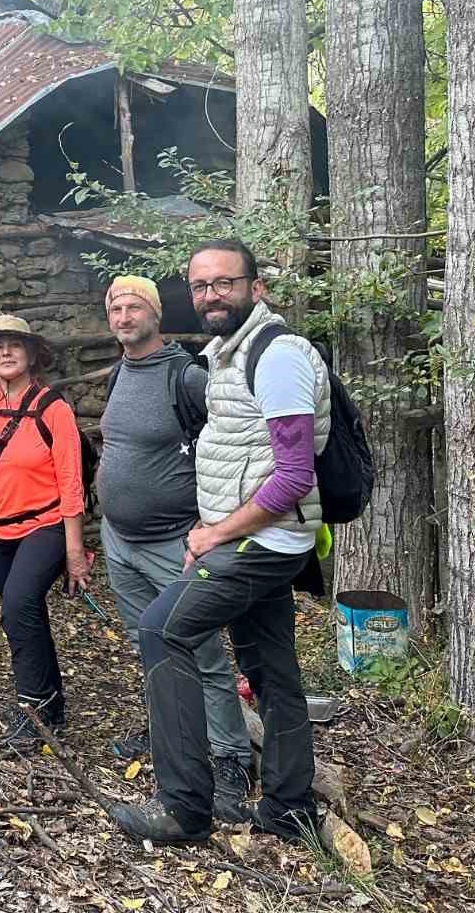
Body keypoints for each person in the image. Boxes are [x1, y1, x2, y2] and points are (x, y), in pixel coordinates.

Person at [110, 240, 327, 845]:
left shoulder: (276, 355)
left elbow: (292, 476)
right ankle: (290, 805)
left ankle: (184, 807)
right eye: (201, 286)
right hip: (257, 536)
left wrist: (213, 534)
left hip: (265, 539)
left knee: (162, 629)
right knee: (271, 672)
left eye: (224, 283)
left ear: (256, 288)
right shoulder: (227, 356)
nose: (211, 295)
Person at [96, 276, 253, 819]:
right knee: (150, 645)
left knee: (204, 652)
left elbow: (229, 450)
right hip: (121, 541)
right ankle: (172, 733)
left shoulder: (186, 376)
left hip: (175, 541)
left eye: (133, 305)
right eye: (115, 306)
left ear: (156, 314)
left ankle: (231, 758)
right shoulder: (119, 372)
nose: (122, 315)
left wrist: (209, 526)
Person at [0, 314, 91, 742]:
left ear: (32, 355)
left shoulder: (53, 408)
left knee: (17, 604)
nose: (6, 352)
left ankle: (31, 711)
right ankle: (51, 704)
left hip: (46, 525)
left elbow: (71, 482)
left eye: (14, 345)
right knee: (23, 614)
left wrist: (73, 552)